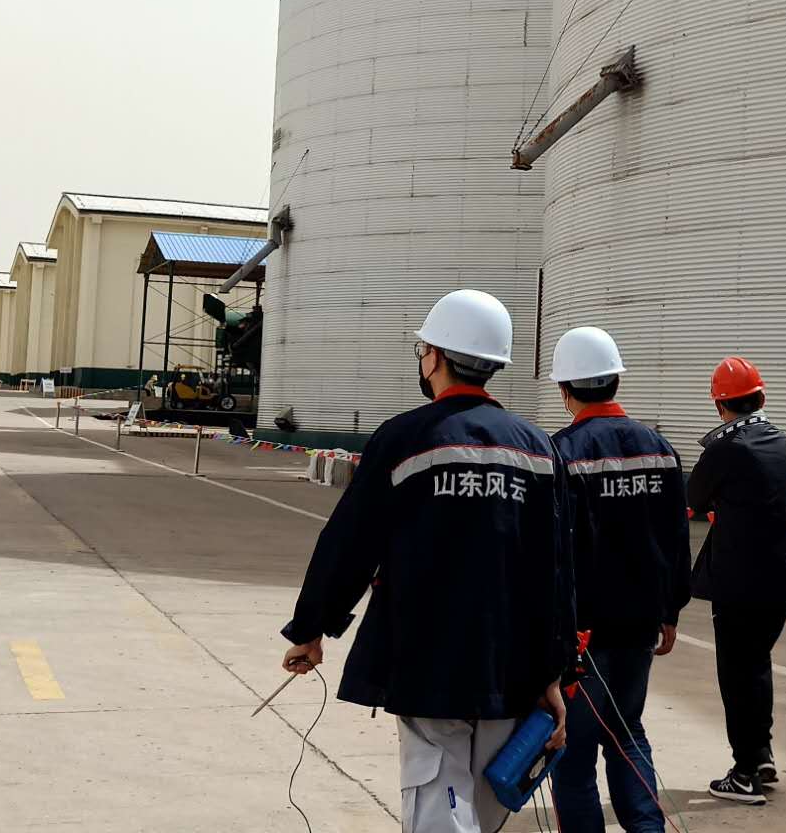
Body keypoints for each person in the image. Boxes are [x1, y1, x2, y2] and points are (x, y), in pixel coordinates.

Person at [279, 289, 574, 833]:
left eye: (423, 350)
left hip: (427, 658)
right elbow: (557, 569)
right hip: (510, 664)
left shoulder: (405, 438)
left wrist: (312, 628)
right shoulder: (538, 446)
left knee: (439, 804)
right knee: (482, 808)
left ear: (434, 357)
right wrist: (553, 671)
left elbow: (349, 543)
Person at [546, 327, 688, 833]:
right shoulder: (659, 447)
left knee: (574, 753)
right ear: (613, 381)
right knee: (628, 735)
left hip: (582, 635)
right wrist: (670, 610)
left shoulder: (560, 453)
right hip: (639, 628)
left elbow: (554, 553)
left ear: (565, 389)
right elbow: (676, 536)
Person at [687, 356, 786, 805]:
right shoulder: (783, 441)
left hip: (739, 581)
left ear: (720, 406)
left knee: (736, 673)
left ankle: (744, 774)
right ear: (761, 397)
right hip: (782, 577)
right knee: (756, 664)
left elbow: (694, 497)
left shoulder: (724, 448)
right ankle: (760, 753)